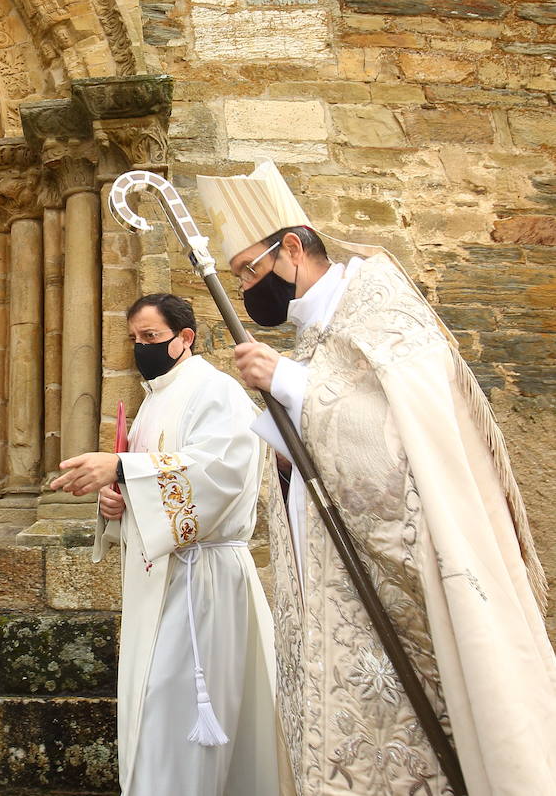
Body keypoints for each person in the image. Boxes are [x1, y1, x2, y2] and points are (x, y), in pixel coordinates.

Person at [196, 159, 556, 796]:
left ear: (293, 248)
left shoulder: (384, 312)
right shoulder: (316, 335)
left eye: (250, 270)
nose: (249, 287)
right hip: (337, 595)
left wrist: (288, 385)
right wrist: (285, 428)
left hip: (409, 597)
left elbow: (400, 449)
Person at [50, 293, 281, 796]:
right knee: (153, 707)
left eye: (150, 337)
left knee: (175, 709)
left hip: (203, 581)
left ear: (185, 338)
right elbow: (149, 486)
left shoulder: (214, 391)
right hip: (160, 579)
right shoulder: (155, 399)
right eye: (134, 338)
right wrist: (117, 503)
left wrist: (120, 469)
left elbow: (220, 474)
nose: (141, 347)